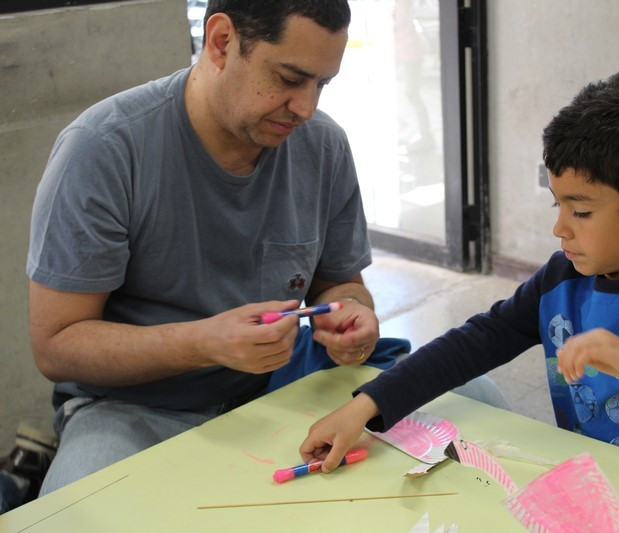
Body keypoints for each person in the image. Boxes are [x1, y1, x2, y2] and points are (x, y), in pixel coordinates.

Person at [298, 71, 619, 478]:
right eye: (557, 205)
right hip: (585, 483)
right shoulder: (563, 279)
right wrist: (366, 405)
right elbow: (478, 340)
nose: (559, 228)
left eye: (581, 212)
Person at [24, 0, 412, 499]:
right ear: (222, 41)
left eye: (322, 84)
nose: (305, 108)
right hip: (136, 408)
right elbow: (56, 346)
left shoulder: (322, 145)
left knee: (468, 395)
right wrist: (202, 343)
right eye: (290, 79)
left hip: (284, 383)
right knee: (77, 513)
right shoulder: (104, 149)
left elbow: (340, 285)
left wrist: (353, 316)